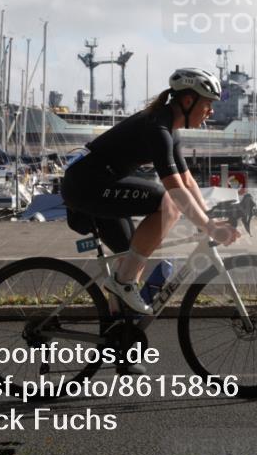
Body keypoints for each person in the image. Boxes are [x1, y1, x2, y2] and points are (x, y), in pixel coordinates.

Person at [61, 68, 241, 316]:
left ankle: (117, 327)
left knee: (132, 257)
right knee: (168, 204)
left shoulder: (169, 129)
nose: (211, 111)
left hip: (97, 184)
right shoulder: (158, 128)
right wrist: (209, 226)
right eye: (208, 104)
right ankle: (123, 285)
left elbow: (187, 180)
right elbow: (175, 190)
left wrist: (207, 219)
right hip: (85, 187)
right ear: (188, 101)